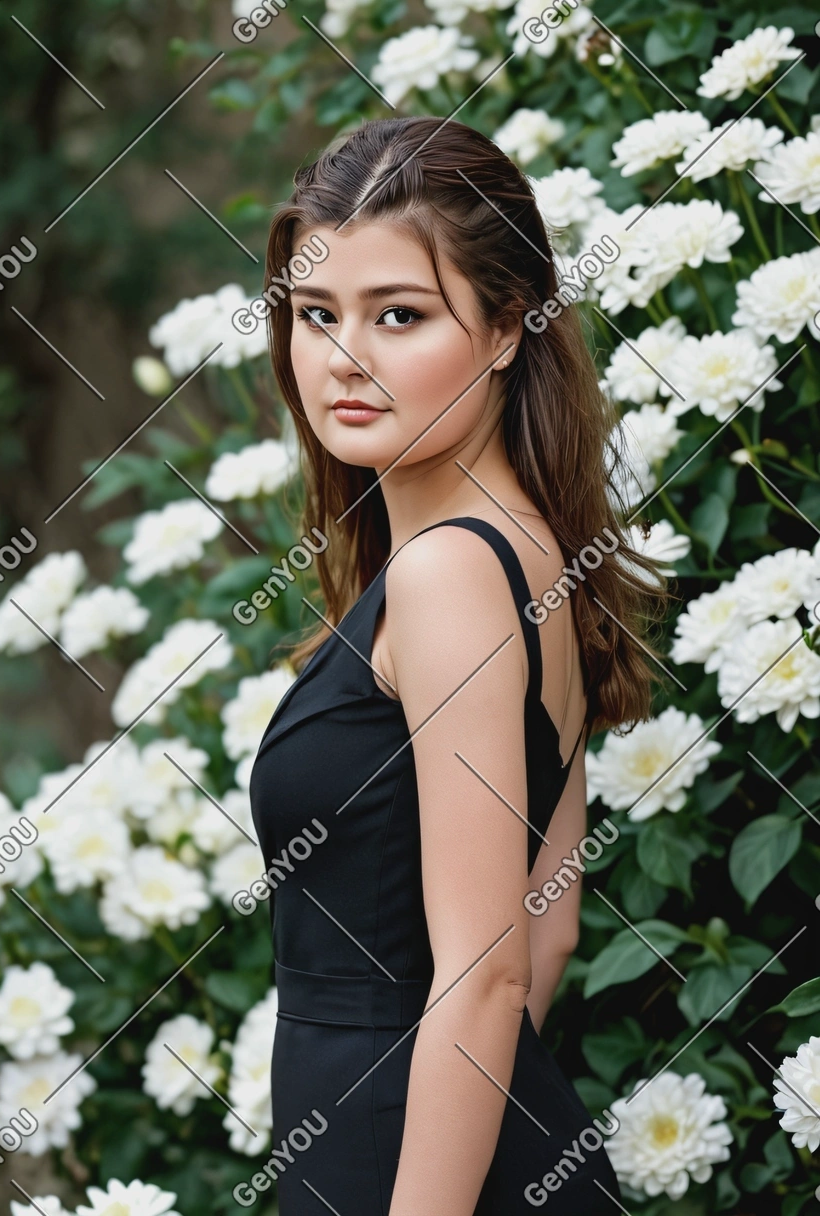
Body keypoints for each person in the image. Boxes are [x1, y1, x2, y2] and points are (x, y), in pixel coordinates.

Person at [249, 115, 666, 1215]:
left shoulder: (447, 578)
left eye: (398, 316)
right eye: (314, 315)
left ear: (503, 327)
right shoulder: (541, 557)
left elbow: (488, 973)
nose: (342, 358)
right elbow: (553, 918)